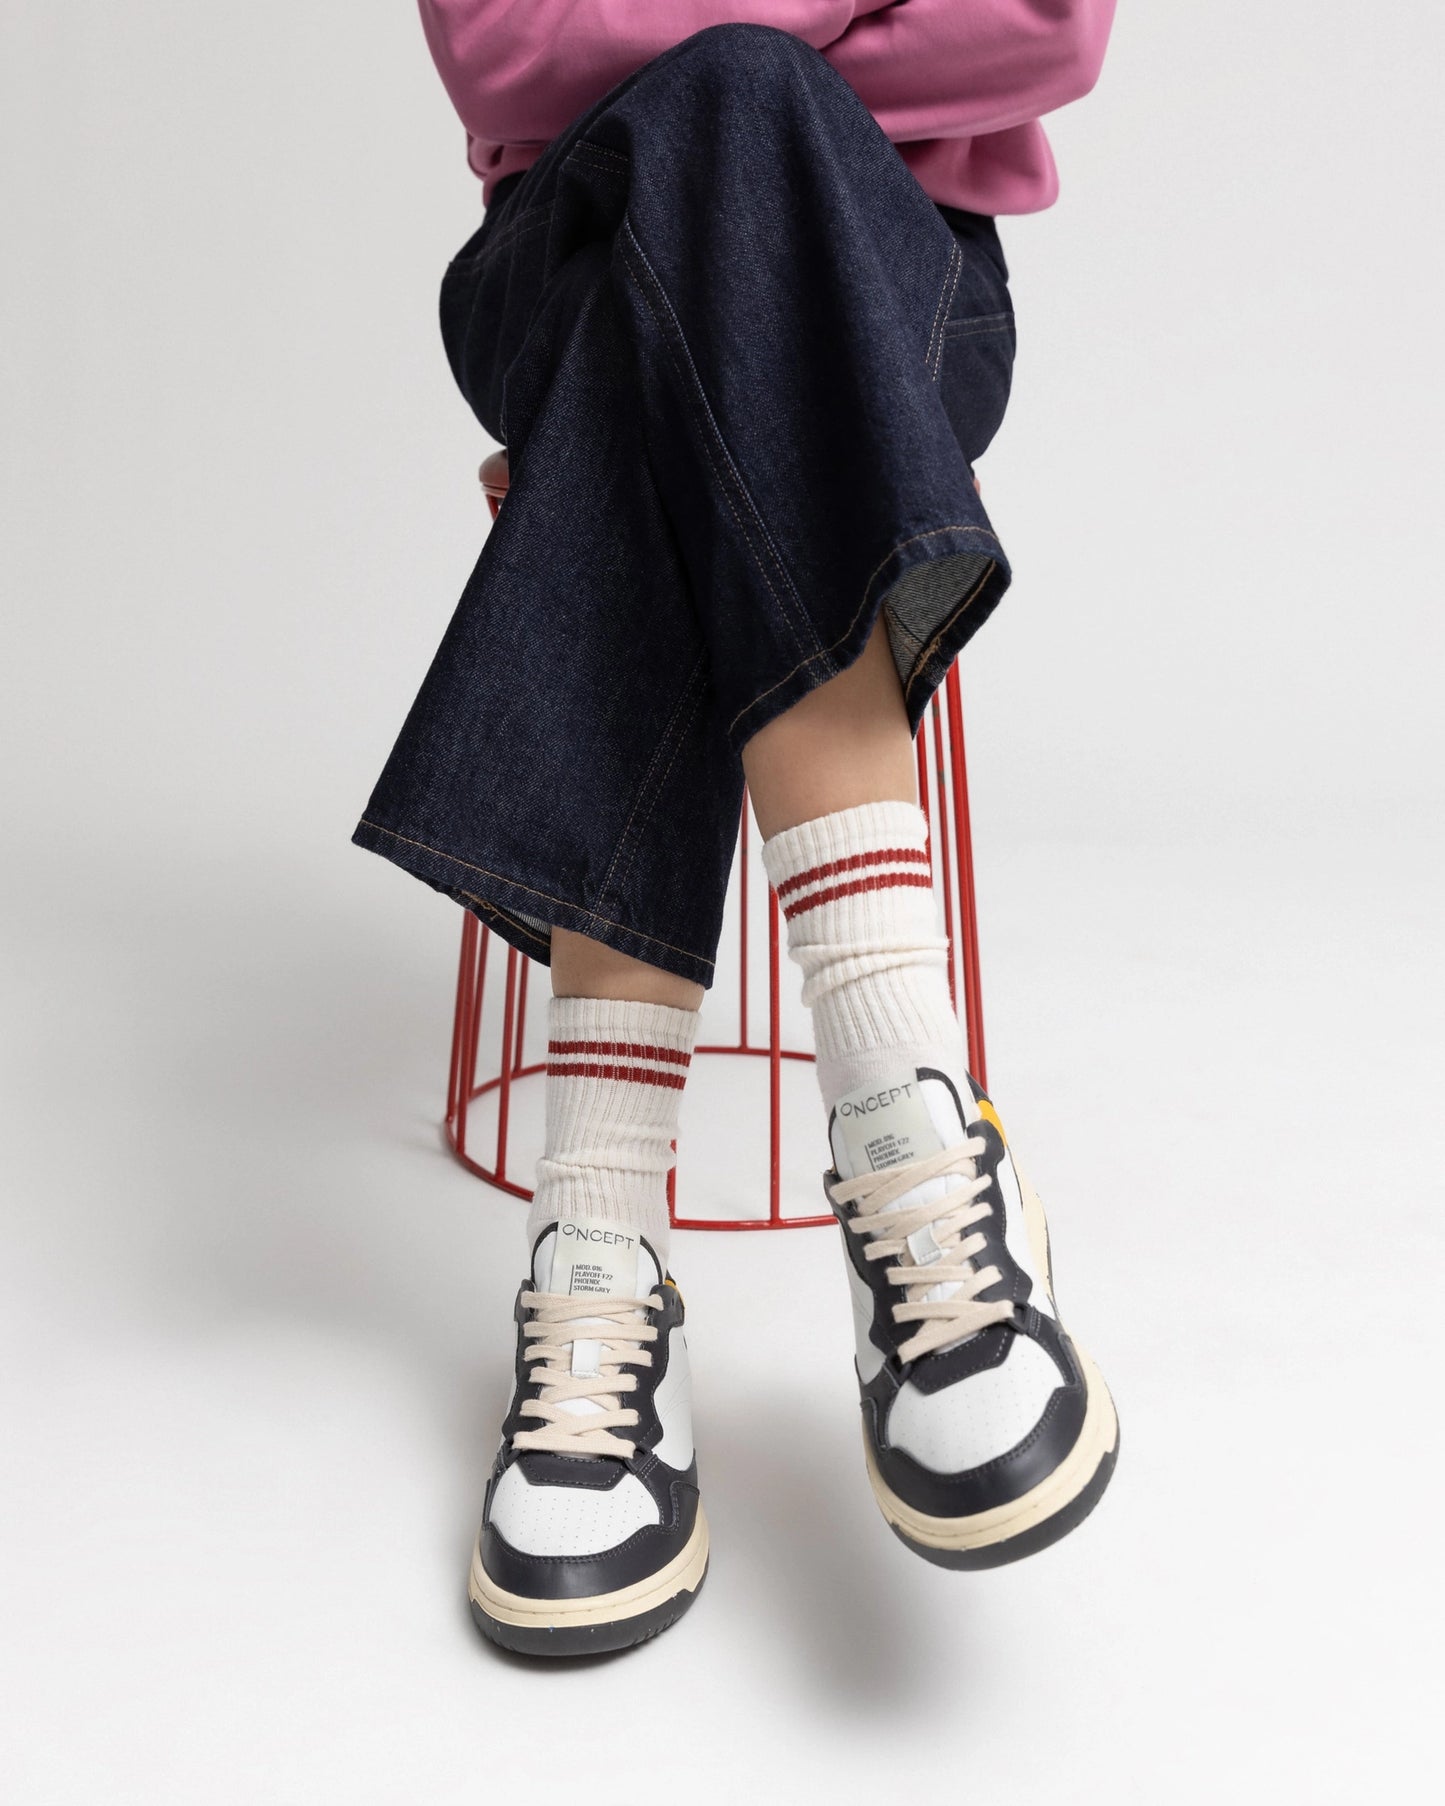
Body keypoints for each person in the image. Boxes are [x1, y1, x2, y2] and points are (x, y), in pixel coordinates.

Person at [354, 2, 1120, 1656]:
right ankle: (910, 1131)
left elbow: (1045, 30)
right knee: (737, 109)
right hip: (564, 259)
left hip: (892, 277)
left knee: (738, 132)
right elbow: (501, 51)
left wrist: (695, 46)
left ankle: (599, 1245)